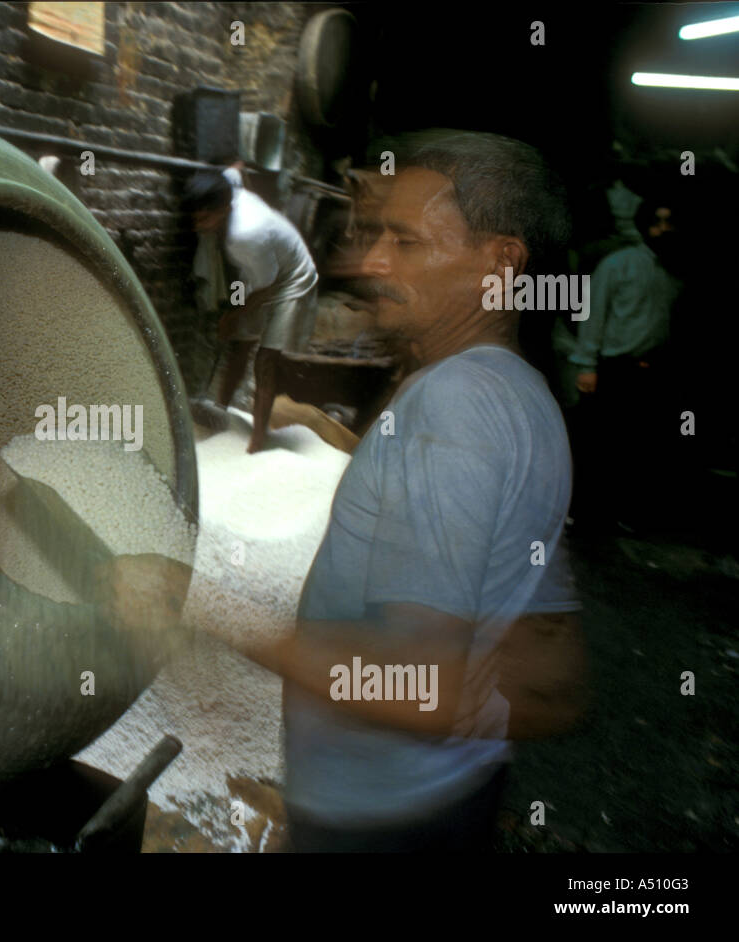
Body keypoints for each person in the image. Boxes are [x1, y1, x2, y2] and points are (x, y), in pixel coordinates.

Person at [103, 130, 587, 852]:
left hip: (380, 818)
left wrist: (200, 605)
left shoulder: (454, 410)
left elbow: (421, 684)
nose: (370, 262)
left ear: (500, 264)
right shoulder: (520, 395)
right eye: (374, 235)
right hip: (450, 792)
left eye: (406, 242)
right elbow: (552, 669)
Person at [183, 168, 320, 453]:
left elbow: (267, 287)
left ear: (227, 208)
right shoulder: (226, 187)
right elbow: (234, 169)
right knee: (238, 345)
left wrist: (233, 315)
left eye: (205, 218)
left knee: (265, 360)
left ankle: (258, 442)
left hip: (289, 279)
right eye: (194, 218)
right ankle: (220, 414)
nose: (198, 227)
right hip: (258, 274)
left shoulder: (245, 235)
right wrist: (234, 314)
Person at [567, 199, 681, 532]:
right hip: (615, 367)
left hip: (654, 371)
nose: (664, 229)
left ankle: (622, 514)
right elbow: (594, 313)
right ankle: (582, 512)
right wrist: (587, 364)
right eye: (658, 222)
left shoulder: (676, 270)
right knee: (599, 443)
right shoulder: (620, 264)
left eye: (670, 223)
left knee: (638, 446)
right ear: (645, 226)